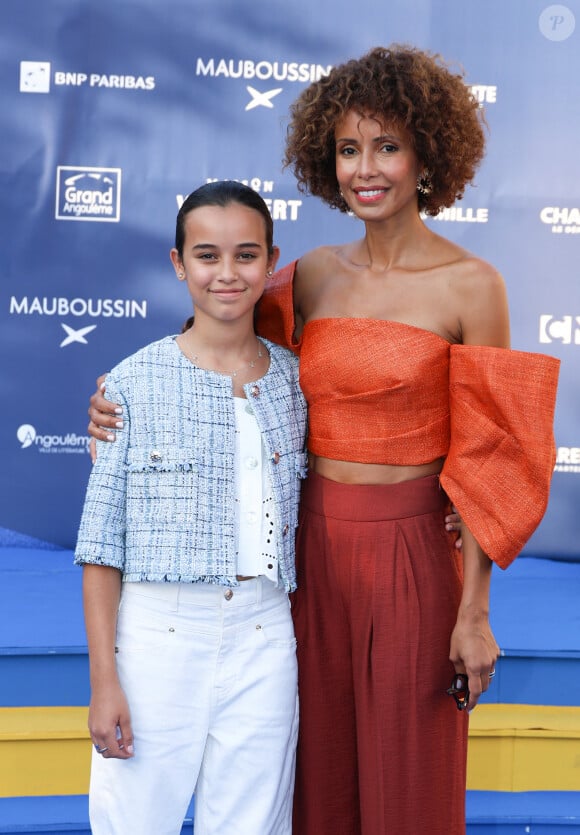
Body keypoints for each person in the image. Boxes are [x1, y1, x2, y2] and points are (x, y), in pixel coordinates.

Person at [86, 46, 560, 835]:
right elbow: (216, 334)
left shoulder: (473, 285)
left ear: (426, 156)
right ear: (325, 159)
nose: (364, 169)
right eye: (348, 149)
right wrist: (115, 399)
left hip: (413, 554)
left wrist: (474, 608)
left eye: (386, 146)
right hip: (307, 558)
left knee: (411, 779)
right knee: (317, 783)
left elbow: (495, 453)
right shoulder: (308, 277)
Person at [75, 180, 308, 835]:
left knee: (252, 824)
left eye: (246, 255)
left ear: (271, 260)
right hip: (158, 637)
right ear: (179, 264)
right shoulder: (130, 384)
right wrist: (104, 680)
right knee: (132, 822)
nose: (227, 273)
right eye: (207, 255)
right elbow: (100, 546)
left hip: (267, 636)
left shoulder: (297, 383)